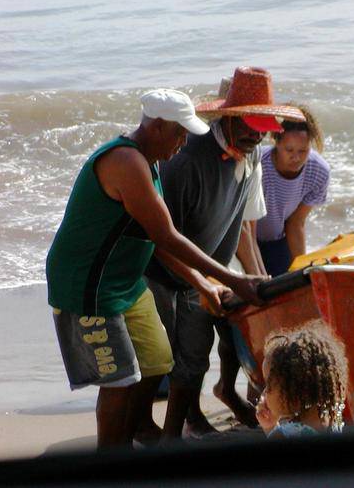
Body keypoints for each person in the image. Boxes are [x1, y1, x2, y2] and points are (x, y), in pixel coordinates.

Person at [46, 89, 266, 449]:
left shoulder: (150, 163)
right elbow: (168, 236)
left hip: (125, 282)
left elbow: (158, 241)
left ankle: (134, 433)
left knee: (156, 358)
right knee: (119, 379)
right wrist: (233, 280)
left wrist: (202, 283)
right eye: (180, 133)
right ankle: (109, 458)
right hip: (90, 286)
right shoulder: (126, 162)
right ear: (158, 126)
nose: (183, 142)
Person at [143, 67, 306, 442]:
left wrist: (261, 280)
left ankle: (179, 430)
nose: (257, 134)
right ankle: (157, 432)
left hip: (212, 268)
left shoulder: (251, 156)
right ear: (227, 118)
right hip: (163, 270)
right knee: (165, 359)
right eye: (249, 124)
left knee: (197, 355)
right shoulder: (186, 161)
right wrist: (206, 280)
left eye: (265, 127)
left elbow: (244, 225)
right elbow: (163, 237)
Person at [256, 104, 330, 276]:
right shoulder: (257, 165)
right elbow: (243, 225)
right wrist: (257, 273)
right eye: (289, 150)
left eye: (303, 151)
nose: (296, 157)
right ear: (276, 142)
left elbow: (296, 223)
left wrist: (303, 270)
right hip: (244, 237)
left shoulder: (318, 172)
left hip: (277, 241)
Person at [254, 320, 349, 438]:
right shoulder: (331, 418)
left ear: (292, 391)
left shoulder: (283, 435)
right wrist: (270, 426)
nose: (264, 392)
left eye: (269, 385)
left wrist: (270, 430)